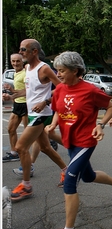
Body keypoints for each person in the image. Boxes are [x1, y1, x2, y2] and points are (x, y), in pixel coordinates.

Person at [45, 51, 112, 229]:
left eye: (62, 70)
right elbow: (57, 109)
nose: (59, 74)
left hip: (86, 141)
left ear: (75, 71)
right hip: (70, 140)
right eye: (57, 70)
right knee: (88, 176)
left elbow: (110, 106)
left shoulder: (90, 90)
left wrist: (101, 124)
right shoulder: (59, 90)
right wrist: (53, 124)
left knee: (71, 179)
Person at [3, 39, 67, 201]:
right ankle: (67, 171)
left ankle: (26, 186)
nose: (21, 52)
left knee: (20, 147)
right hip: (32, 113)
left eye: (24, 49)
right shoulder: (27, 68)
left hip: (42, 114)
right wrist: (13, 94)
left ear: (34, 51)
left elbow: (62, 89)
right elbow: (29, 90)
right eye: (20, 49)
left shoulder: (44, 69)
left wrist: (45, 101)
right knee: (45, 147)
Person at [2, 53, 28, 162]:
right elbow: (18, 90)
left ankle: (49, 140)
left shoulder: (26, 73)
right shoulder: (15, 73)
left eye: (18, 61)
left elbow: (28, 91)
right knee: (11, 129)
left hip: (26, 105)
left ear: (22, 62)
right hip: (17, 104)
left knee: (29, 134)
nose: (15, 63)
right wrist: (10, 96)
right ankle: (14, 153)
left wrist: (11, 94)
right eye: (13, 61)